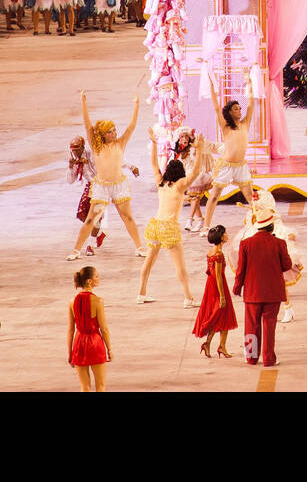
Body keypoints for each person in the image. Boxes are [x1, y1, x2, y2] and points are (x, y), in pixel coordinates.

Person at [70, 91, 144, 259]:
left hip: (119, 187)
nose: (114, 133)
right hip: (102, 189)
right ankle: (75, 250)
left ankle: (140, 247)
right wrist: (83, 102)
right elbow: (87, 125)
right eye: (110, 131)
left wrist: (136, 105)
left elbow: (132, 126)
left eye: (115, 130)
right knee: (91, 220)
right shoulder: (96, 147)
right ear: (102, 135)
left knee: (128, 218)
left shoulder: (120, 143)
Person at [137, 135, 199, 307]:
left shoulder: (160, 182)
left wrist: (155, 144)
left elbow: (154, 164)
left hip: (155, 225)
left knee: (148, 262)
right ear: (180, 174)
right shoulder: (180, 185)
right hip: (168, 228)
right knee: (180, 266)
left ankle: (141, 293)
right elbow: (196, 171)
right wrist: (199, 150)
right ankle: (188, 298)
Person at [232, 205, 292, 367]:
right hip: (273, 292)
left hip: (252, 293)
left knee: (251, 326)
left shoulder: (245, 244)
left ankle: (251, 357)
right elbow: (287, 265)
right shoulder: (279, 243)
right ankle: (269, 358)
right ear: (271, 226)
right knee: (269, 325)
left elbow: (241, 270)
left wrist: (237, 288)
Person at [202, 75, 256, 227]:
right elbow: (216, 107)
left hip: (241, 166)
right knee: (214, 196)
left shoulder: (245, 123)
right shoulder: (225, 126)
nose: (239, 111)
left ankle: (259, 223)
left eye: (239, 108)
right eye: (235, 109)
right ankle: (206, 225)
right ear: (230, 112)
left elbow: (251, 104)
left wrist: (250, 82)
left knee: (251, 197)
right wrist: (212, 84)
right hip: (226, 166)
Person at [192, 225, 237, 358]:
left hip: (211, 286)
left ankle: (215, 344)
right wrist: (222, 296)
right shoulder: (218, 253)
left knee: (218, 315)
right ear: (221, 237)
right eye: (225, 233)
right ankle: (220, 346)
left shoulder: (212, 251)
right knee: (223, 314)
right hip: (218, 287)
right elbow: (218, 276)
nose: (227, 235)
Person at [68, 265, 111, 392]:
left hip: (79, 343)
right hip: (95, 343)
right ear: (89, 281)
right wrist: (109, 349)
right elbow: (104, 329)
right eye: (97, 276)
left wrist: (70, 352)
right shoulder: (98, 301)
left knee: (84, 387)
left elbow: (70, 330)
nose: (99, 278)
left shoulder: (72, 301)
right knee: (101, 386)